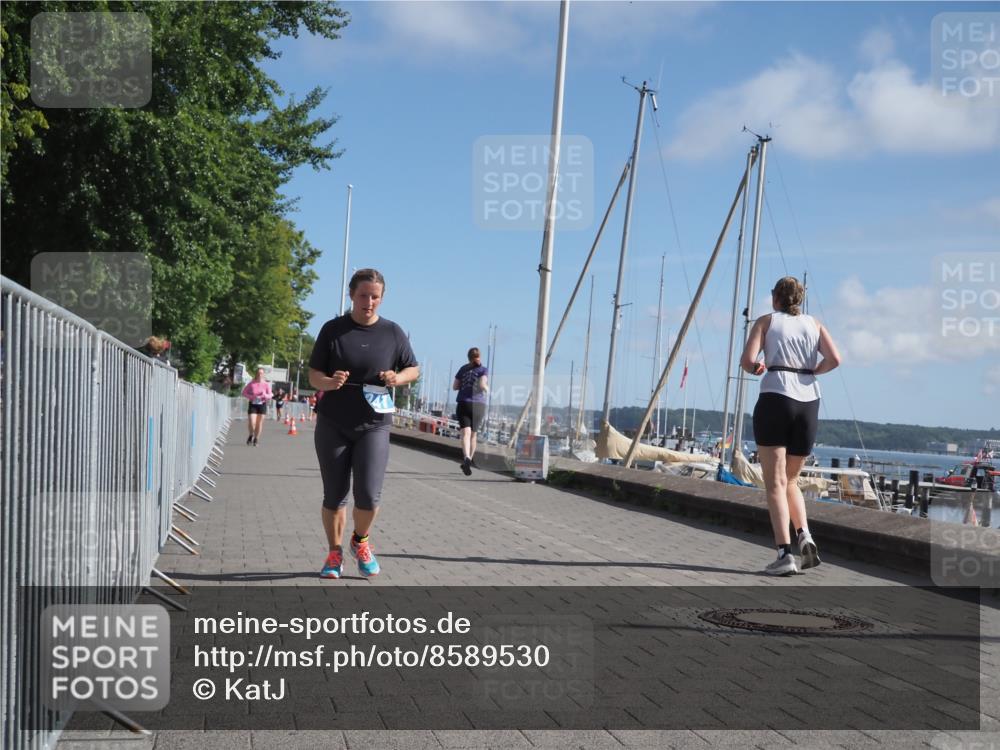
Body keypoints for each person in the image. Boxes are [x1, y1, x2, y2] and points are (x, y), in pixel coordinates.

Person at [308, 268, 419, 579]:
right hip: (333, 422)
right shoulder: (333, 330)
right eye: (363, 295)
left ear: (381, 299)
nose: (368, 302)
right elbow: (313, 374)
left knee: (369, 495)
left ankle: (361, 540)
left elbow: (414, 368)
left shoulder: (393, 333)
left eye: (375, 297)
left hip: (374, 423)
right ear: (351, 295)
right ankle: (334, 553)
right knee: (334, 494)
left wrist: (397, 377)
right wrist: (329, 382)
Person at [740, 276, 841, 576]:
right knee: (792, 480)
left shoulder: (766, 322)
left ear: (776, 297)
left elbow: (747, 361)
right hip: (809, 401)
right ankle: (805, 535)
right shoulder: (815, 324)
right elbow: (835, 359)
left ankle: (785, 554)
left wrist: (757, 367)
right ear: (800, 299)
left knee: (775, 483)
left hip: (776, 396)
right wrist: (813, 369)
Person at [452, 347, 489, 475]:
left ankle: (466, 457)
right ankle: (470, 460)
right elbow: (483, 385)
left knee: (465, 433)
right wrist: (488, 391)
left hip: (464, 403)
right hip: (478, 405)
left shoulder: (463, 369)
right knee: (473, 434)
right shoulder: (483, 369)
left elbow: (455, 386)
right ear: (479, 356)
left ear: (468, 358)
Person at [241, 368, 273, 446]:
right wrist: (252, 396)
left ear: (263, 375)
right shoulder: (252, 383)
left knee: (259, 423)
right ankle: (251, 435)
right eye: (258, 373)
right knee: (252, 422)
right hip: (253, 404)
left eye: (261, 373)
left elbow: (271, 395)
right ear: (256, 374)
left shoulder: (266, 384)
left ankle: (256, 439)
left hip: (262, 404)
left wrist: (264, 395)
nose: (260, 375)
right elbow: (244, 393)